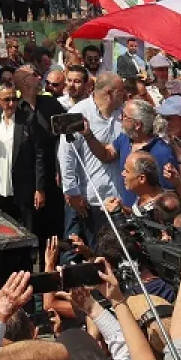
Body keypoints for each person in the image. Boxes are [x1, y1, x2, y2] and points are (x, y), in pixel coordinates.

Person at [57, 72, 126, 246]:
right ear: (109, 93)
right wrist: (72, 192)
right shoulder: (78, 114)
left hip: (118, 201)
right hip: (89, 200)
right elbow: (66, 156)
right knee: (83, 250)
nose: (125, 94)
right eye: (121, 90)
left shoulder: (124, 115)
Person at [0, 81, 46, 231]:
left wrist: (40, 188)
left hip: (23, 189)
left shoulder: (28, 119)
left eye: (14, 98)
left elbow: (39, 154)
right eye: (7, 100)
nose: (11, 103)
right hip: (0, 187)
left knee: (25, 232)